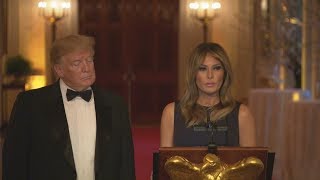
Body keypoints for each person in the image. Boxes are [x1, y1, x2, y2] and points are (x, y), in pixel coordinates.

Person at [3, 34, 136, 180]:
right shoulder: (30, 105)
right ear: (59, 70)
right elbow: (15, 162)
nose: (87, 68)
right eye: (77, 63)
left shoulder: (116, 104)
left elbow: (126, 163)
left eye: (90, 60)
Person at [160, 42, 256, 147]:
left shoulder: (242, 114)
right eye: (202, 69)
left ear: (225, 73)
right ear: (193, 73)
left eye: (216, 68)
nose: (210, 75)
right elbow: (166, 161)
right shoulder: (171, 113)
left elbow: (250, 162)